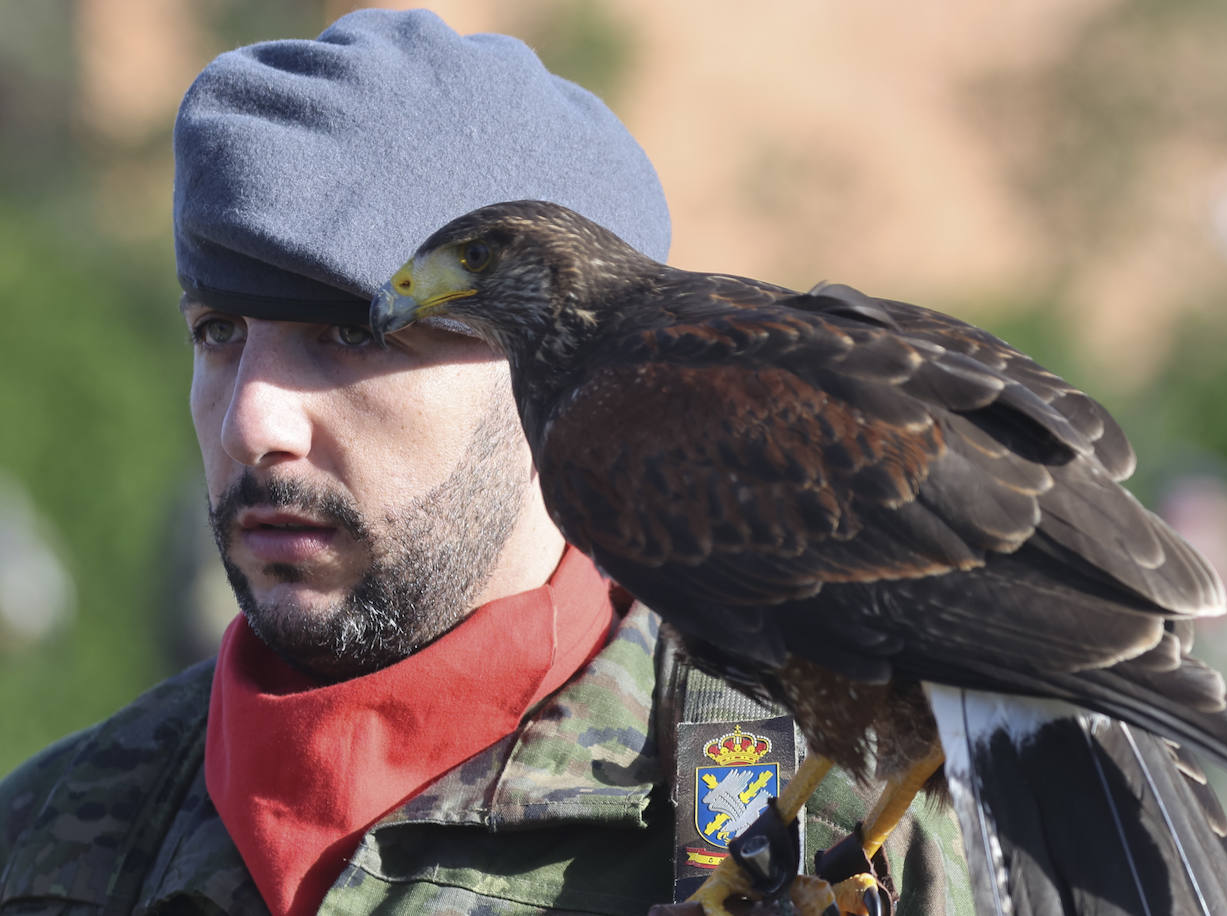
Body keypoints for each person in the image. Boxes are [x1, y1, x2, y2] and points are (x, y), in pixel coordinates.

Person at [0, 9, 968, 916]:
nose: (254, 421)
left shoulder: (854, 826)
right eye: (218, 331)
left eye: (353, 336)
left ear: (568, 376)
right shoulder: (50, 839)